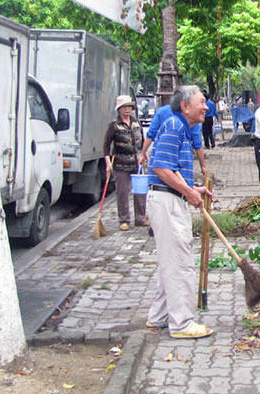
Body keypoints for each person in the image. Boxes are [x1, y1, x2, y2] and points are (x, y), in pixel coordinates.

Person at [145, 85, 214, 339]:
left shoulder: (181, 127)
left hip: (169, 198)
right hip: (167, 202)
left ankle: (159, 317)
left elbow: (171, 170)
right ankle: (182, 324)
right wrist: (188, 193)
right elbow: (160, 167)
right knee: (179, 263)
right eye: (201, 102)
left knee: (169, 261)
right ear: (185, 106)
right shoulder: (175, 127)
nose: (205, 106)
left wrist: (193, 188)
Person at [103, 95, 148, 231]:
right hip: (120, 164)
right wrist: (107, 163)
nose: (127, 109)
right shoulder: (114, 125)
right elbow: (106, 145)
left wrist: (144, 154)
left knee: (141, 191)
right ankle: (124, 219)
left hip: (137, 162)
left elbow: (142, 140)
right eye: (125, 107)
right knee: (122, 192)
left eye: (129, 106)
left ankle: (140, 218)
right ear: (120, 109)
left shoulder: (136, 122)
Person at [139, 104, 207, 179]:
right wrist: (203, 166)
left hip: (160, 158)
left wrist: (143, 154)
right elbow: (197, 143)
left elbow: (151, 135)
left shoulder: (162, 111)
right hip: (181, 162)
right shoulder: (189, 115)